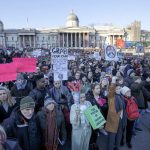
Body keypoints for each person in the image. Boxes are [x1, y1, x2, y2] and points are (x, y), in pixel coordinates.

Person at [105, 77, 126, 150]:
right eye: (116, 89)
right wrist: (113, 81)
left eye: (119, 88)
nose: (118, 90)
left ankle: (117, 147)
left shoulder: (121, 96)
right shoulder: (111, 96)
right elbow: (111, 89)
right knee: (112, 137)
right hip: (113, 120)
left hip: (121, 119)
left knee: (119, 135)